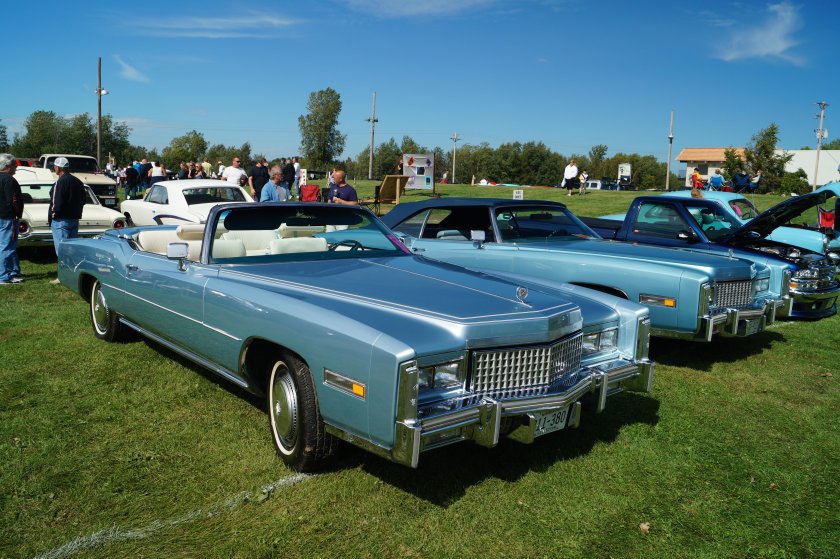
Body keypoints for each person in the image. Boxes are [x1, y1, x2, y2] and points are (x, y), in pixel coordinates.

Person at [48, 157, 87, 284]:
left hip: (61, 220)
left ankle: (63, 276)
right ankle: (73, 274)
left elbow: (56, 203)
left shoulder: (60, 182)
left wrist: (54, 214)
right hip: (74, 219)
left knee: (62, 250)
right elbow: (83, 200)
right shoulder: (77, 181)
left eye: (55, 166)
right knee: (71, 249)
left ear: (58, 168)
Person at [0, 154, 24, 284]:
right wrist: (17, 213)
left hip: (2, 216)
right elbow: (13, 199)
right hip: (7, 217)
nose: (16, 168)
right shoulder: (9, 180)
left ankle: (10, 271)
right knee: (7, 247)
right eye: (14, 165)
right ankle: (4, 276)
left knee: (3, 246)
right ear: (8, 166)